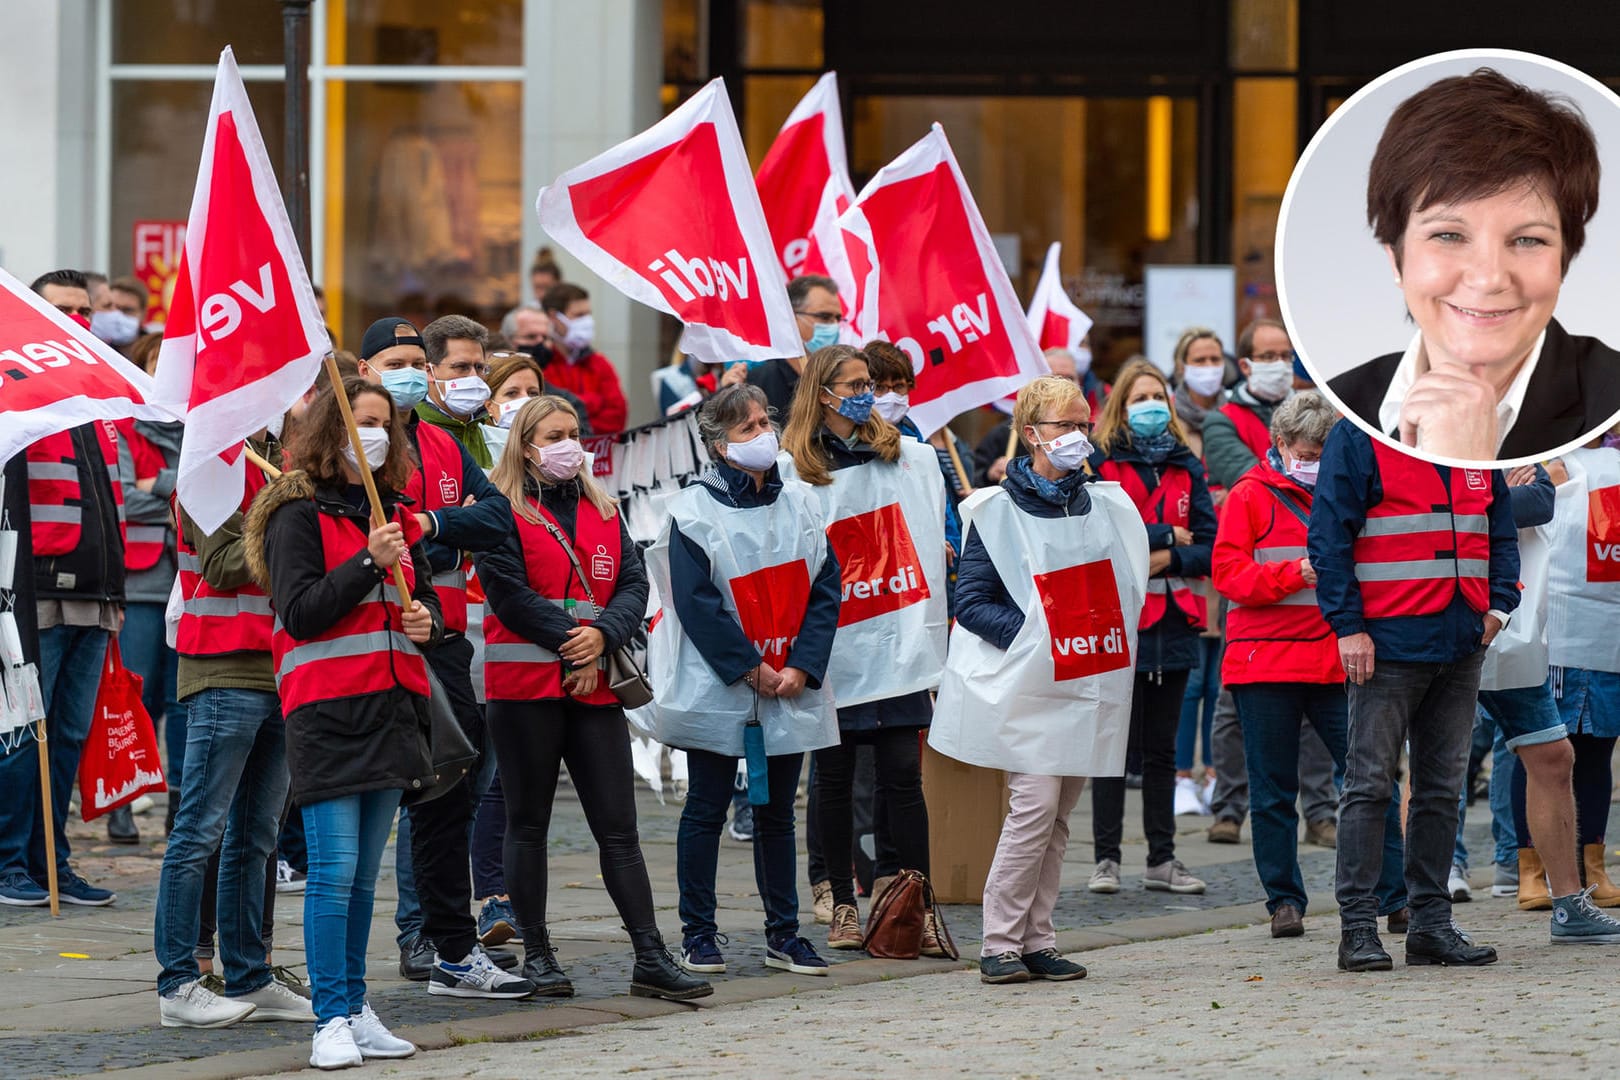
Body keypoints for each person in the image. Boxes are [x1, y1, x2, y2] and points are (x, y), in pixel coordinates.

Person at [249, 378, 523, 1068]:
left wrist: (425, 619)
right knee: (334, 870)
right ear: (324, 438)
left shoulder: (395, 511)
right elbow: (302, 612)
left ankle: (355, 1005)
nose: (371, 435)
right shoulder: (294, 513)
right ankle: (329, 1018)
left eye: (380, 425)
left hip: (395, 708)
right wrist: (365, 561)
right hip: (328, 710)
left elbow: (421, 601)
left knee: (365, 875)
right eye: (357, 423)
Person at [476, 395, 711, 1000]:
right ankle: (539, 953)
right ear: (525, 445)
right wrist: (573, 645)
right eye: (554, 435)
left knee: (619, 828)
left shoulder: (602, 506)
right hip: (527, 689)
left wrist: (601, 636)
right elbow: (508, 595)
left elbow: (634, 582)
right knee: (528, 824)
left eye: (574, 432)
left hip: (596, 685)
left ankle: (650, 955)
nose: (569, 444)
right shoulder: (500, 508)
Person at [931, 374, 1148, 984]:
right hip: (1030, 689)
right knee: (1034, 808)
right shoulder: (995, 512)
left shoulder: (1104, 504)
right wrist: (1038, 634)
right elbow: (971, 602)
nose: (1078, 436)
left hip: (1084, 680)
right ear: (1031, 434)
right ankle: (998, 942)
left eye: (1084, 424)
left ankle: (1038, 939)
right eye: (1064, 426)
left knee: (1056, 820)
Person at [1308, 420, 1518, 971]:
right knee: (1369, 786)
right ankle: (1358, 929)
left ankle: (1430, 925)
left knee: (1443, 790)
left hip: (1462, 639)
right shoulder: (1360, 436)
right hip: (1387, 641)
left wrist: (1498, 607)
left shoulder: (1479, 434)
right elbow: (1329, 537)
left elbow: (1500, 528)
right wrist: (1347, 626)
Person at [356, 318, 527, 991]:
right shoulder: (364, 447)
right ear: (365, 370)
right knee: (416, 797)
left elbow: (497, 517)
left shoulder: (440, 444)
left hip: (449, 642)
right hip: (387, 643)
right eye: (393, 359)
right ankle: (421, 936)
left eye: (414, 360)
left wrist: (432, 525)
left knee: (450, 796)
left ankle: (446, 936)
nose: (408, 370)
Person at [1328, 68, 1619, 462]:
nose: (1488, 278)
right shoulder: (1337, 405)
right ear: (1395, 258)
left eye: (1528, 239)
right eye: (1449, 235)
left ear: (1563, 261)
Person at [649, 384, 840, 978]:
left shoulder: (803, 501)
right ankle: (698, 935)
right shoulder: (692, 510)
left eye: (765, 422)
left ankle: (784, 933)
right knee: (706, 808)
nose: (764, 435)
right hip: (724, 684)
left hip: (789, 677)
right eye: (746, 429)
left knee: (776, 811)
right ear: (718, 444)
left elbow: (825, 586)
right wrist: (749, 668)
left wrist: (800, 666)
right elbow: (696, 603)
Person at [1213, 392, 1409, 938]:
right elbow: (1228, 573)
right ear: (1279, 445)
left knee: (1371, 781)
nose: (1318, 460)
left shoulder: (1355, 491)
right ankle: (1284, 901)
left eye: (1327, 450)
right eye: (1307, 450)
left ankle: (1395, 897)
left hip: (1333, 659)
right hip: (1267, 661)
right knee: (1273, 789)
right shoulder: (1249, 496)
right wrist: (1294, 574)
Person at [780, 345, 947, 953]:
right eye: (854, 384)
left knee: (904, 774)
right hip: (837, 647)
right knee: (836, 775)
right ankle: (843, 903)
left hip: (897, 641)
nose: (866, 394)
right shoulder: (796, 468)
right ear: (823, 394)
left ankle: (916, 901)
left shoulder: (904, 456)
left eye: (868, 384)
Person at [153, 435, 313, 1029]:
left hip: (278, 667)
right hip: (225, 667)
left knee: (258, 836)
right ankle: (177, 983)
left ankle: (250, 974)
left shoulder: (280, 461)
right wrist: (296, 530)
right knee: (200, 830)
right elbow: (220, 564)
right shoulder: (210, 461)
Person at [0, 270, 122, 909]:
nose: (79, 321)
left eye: (86, 310)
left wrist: (115, 594)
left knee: (68, 737)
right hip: (34, 591)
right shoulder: (20, 397)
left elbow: (109, 502)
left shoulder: (95, 402)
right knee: (25, 732)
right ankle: (10, 862)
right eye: (63, 311)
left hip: (94, 596)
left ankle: (51, 859)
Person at [1086, 359, 1216, 896]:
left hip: (1176, 620)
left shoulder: (1187, 464)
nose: (1152, 406)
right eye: (1141, 396)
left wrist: (1165, 559)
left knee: (1163, 748)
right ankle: (1105, 860)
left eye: (1157, 396)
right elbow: (1099, 535)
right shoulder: (1100, 462)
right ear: (1121, 404)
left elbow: (1210, 543)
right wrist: (1164, 536)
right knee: (1112, 747)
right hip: (1117, 620)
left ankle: (1162, 859)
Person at [1522, 439, 1620, 933]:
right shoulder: (1551, 466)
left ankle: (1592, 867)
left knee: (1596, 754)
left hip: (1608, 637)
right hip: (1557, 635)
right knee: (1543, 755)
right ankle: (1532, 871)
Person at [1169, 327, 1228, 815]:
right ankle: (1181, 775)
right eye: (1199, 358)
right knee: (1191, 679)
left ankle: (1213, 771)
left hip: (1229, 561)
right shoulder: (1171, 417)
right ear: (1182, 364)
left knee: (1219, 679)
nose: (1209, 366)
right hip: (1191, 560)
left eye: (1215, 357)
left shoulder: (1229, 417)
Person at [971, 345, 1105, 487]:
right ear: (1031, 434)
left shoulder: (1093, 439)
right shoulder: (1003, 435)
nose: (1064, 385)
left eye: (1070, 378)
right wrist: (989, 475)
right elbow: (973, 479)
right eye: (1063, 425)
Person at [743, 274, 843, 418]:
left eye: (838, 318)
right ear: (792, 317)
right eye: (825, 317)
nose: (834, 325)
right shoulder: (758, 384)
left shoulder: (842, 379)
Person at [540, 283, 628, 435]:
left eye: (588, 314)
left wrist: (574, 418)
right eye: (579, 315)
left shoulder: (600, 364)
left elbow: (618, 417)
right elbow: (543, 418)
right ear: (554, 317)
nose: (587, 322)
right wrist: (595, 402)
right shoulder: (542, 365)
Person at [418, 314, 498, 468]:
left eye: (479, 367)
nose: (474, 377)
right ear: (429, 371)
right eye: (462, 367)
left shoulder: (499, 438)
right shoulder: (410, 432)